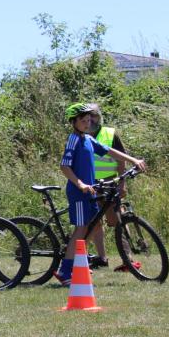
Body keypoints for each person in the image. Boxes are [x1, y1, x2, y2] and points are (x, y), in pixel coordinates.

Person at [55, 103, 147, 286]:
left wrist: (133, 160)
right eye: (83, 120)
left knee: (93, 225)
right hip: (79, 192)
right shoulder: (74, 139)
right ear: (73, 122)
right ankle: (65, 270)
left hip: (91, 191)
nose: (87, 122)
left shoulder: (88, 139)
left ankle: (78, 263)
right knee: (81, 229)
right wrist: (80, 183)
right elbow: (64, 165)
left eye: (89, 119)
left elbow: (109, 151)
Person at [87, 104, 142, 273]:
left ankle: (128, 260)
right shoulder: (80, 135)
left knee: (116, 221)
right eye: (87, 116)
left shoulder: (110, 133)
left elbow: (121, 160)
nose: (90, 120)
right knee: (93, 223)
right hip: (90, 183)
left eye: (93, 116)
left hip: (110, 183)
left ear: (99, 117)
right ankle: (102, 258)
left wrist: (122, 183)